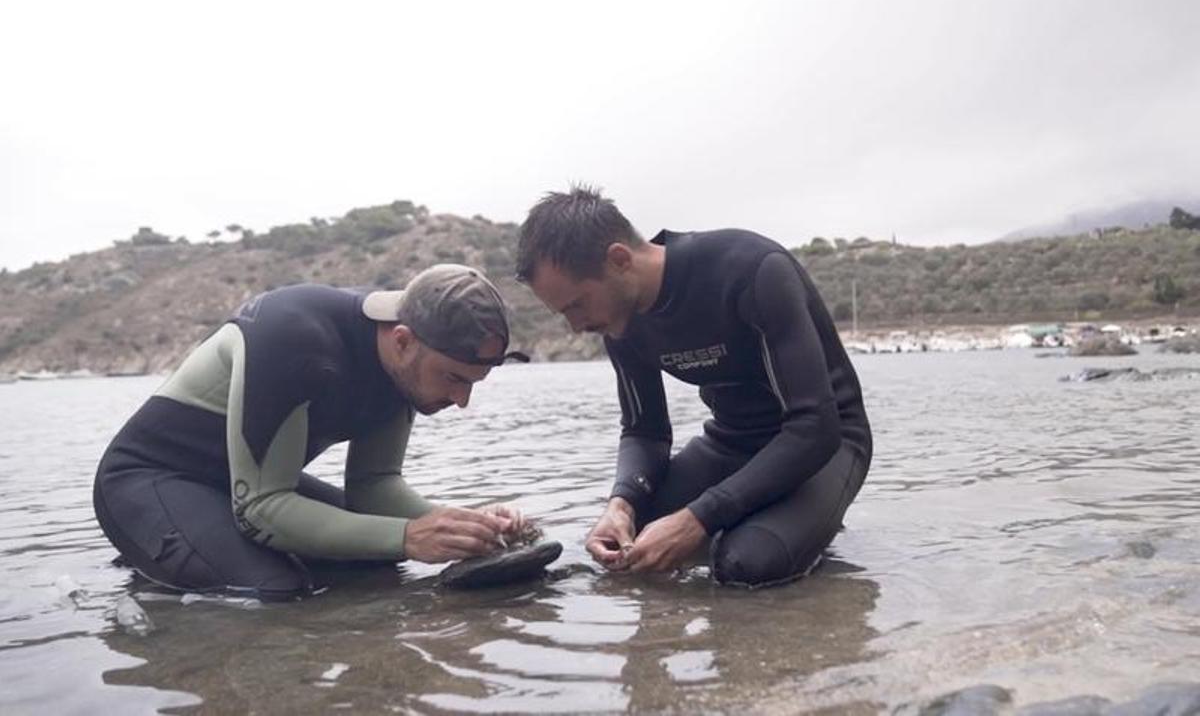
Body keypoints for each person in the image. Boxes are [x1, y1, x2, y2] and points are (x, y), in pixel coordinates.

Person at [93, 264, 530, 601]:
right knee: (274, 589)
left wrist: (468, 527)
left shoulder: (403, 368)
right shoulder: (296, 337)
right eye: (454, 378)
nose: (461, 400)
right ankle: (164, 574)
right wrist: (411, 536)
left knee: (375, 563)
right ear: (402, 340)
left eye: (472, 383)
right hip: (149, 480)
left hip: (239, 487)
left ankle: (196, 551)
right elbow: (261, 509)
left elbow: (373, 488)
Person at [516, 186, 872, 587]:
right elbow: (644, 431)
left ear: (618, 260)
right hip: (733, 442)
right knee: (626, 548)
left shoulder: (751, 271)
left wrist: (699, 518)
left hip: (829, 444)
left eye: (577, 305)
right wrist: (622, 503)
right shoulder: (620, 323)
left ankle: (803, 532)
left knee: (744, 566)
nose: (576, 326)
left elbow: (815, 427)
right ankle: (774, 520)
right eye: (563, 313)